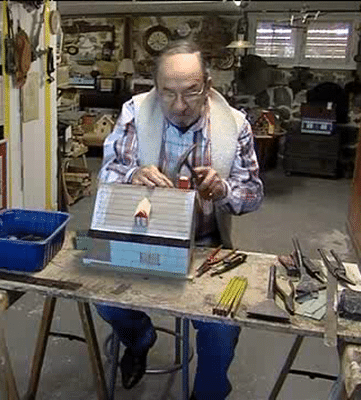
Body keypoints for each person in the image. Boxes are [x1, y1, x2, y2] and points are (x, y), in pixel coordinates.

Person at [96, 40, 264, 400]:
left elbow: (253, 194)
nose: (179, 106)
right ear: (155, 87)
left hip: (206, 246)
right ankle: (140, 340)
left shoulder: (235, 125)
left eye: (191, 92)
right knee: (108, 303)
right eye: (167, 94)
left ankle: (208, 392)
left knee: (221, 329)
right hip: (141, 238)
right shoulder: (135, 112)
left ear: (208, 84)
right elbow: (107, 175)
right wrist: (131, 176)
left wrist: (224, 192)